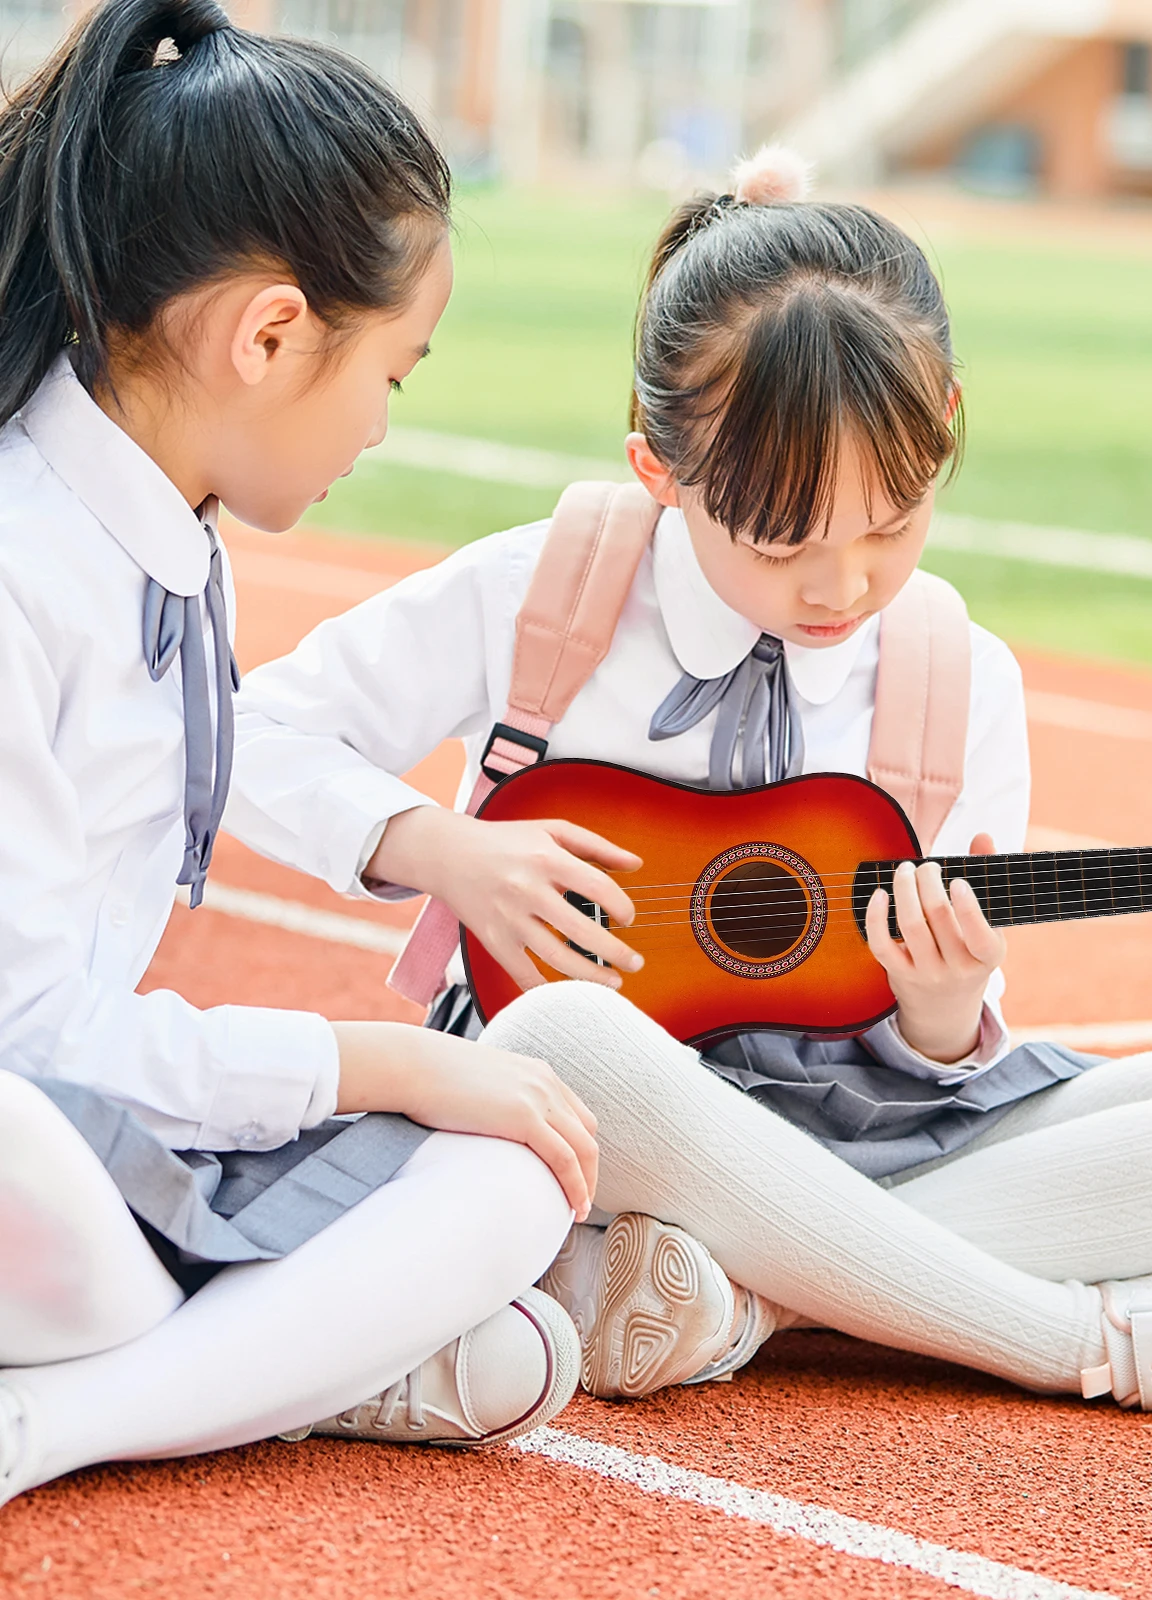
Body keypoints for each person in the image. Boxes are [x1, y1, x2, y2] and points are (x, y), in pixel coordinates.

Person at [227, 148, 1152, 1417]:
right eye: (782, 544)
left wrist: (945, 1004)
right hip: (619, 1120)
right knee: (560, 1035)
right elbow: (244, 736)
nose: (840, 588)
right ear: (659, 474)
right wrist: (438, 849)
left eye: (891, 526)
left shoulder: (956, 671)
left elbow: (944, 1043)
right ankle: (1082, 1340)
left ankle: (746, 1303)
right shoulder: (542, 594)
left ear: (942, 422)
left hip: (873, 1120)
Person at [0, 0, 596, 1512]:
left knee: (513, 1175)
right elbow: (20, 1042)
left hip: (73, 1151)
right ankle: (175, 1388)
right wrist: (371, 1059)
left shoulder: (168, 541)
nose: (384, 427)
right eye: (391, 372)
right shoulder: (21, 556)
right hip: (21, 1133)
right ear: (269, 333)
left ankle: (128, 1392)